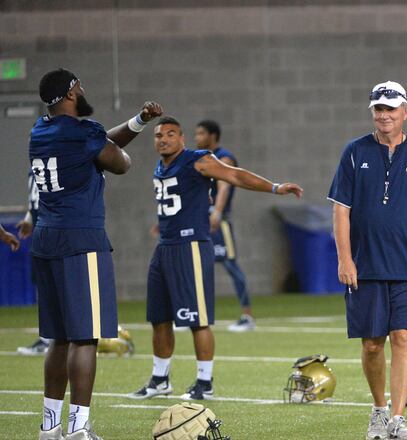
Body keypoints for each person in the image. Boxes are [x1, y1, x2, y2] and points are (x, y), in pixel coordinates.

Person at [129, 116, 302, 402]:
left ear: (182, 139)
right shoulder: (161, 166)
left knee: (198, 319)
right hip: (165, 247)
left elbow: (235, 175)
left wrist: (274, 187)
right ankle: (160, 380)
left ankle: (204, 382)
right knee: (159, 319)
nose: (163, 139)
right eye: (159, 135)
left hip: (191, 245)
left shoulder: (198, 159)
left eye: (171, 134)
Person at [32, 68, 163, 440]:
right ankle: (78, 429)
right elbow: (120, 162)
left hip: (46, 239)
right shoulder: (84, 133)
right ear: (72, 92)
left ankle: (50, 427)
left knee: (58, 338)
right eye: (80, 85)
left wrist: (137, 122)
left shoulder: (39, 131)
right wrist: (117, 152)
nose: (84, 89)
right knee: (85, 338)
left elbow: (95, 141)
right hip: (81, 240)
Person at [328, 81, 407, 440]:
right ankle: (379, 411)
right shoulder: (354, 151)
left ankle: (397, 419)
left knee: (403, 337)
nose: (383, 115)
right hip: (365, 265)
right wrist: (344, 259)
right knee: (371, 343)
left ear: (404, 112)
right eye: (378, 109)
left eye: (390, 108)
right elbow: (341, 210)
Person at [193, 120, 253, 332]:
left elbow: (224, 186)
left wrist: (217, 213)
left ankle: (247, 317)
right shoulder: (199, 158)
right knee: (195, 267)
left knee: (231, 265)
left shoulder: (223, 157)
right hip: (199, 220)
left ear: (213, 135)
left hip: (218, 221)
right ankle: (192, 315)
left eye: (201, 133)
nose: (197, 137)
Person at [16, 172, 52, 355]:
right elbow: (36, 202)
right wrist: (29, 220)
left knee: (56, 288)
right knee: (43, 286)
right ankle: (48, 338)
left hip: (55, 233)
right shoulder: (35, 168)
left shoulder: (58, 160)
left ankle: (53, 339)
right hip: (40, 235)